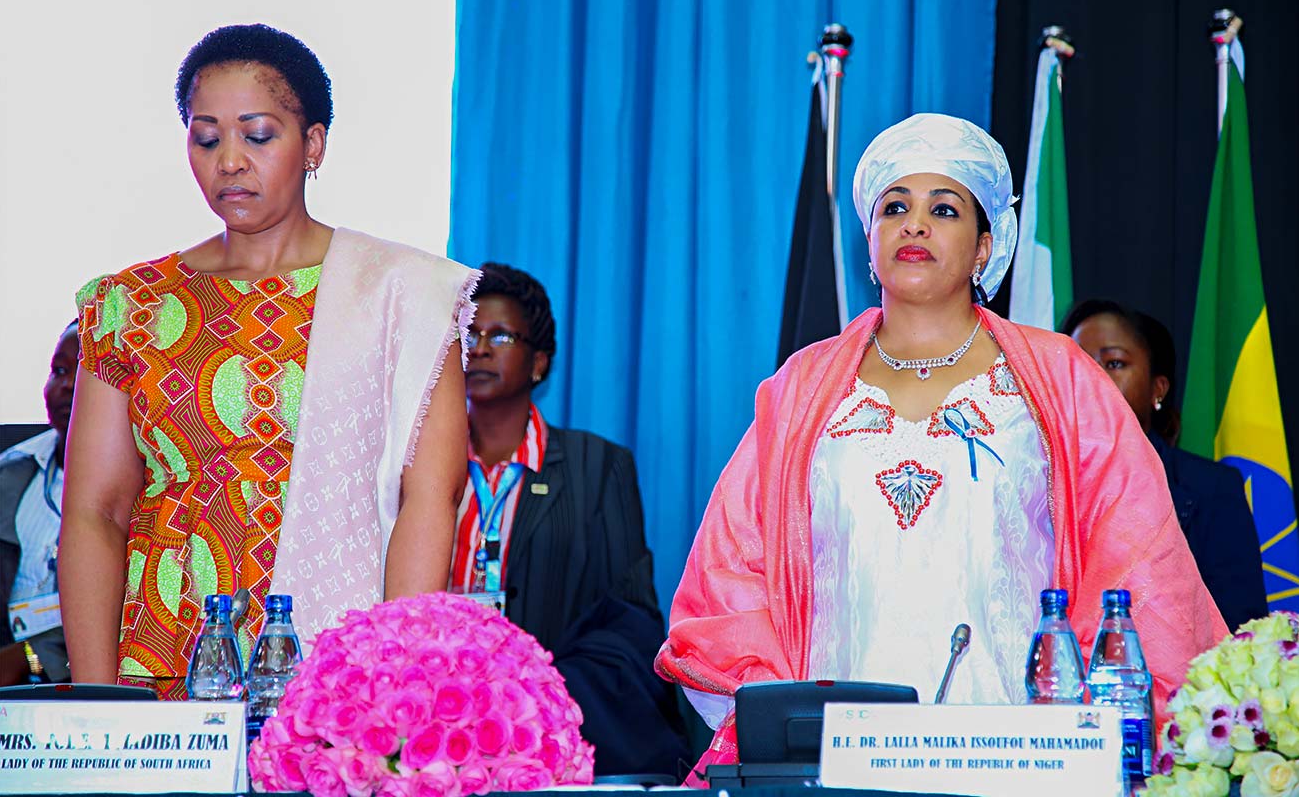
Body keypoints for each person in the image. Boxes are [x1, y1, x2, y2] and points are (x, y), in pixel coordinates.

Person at [654, 113, 1226, 775]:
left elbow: (1139, 564)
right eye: (895, 207)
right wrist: (787, 719)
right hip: (836, 756)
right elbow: (730, 574)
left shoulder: (1060, 380)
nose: (915, 224)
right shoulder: (800, 390)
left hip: (1019, 757)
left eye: (944, 209)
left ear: (985, 247)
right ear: (871, 243)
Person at [60, 24, 476, 698]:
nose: (230, 161)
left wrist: (391, 685)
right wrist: (96, 701)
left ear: (313, 145)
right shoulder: (129, 304)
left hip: (338, 656)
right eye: (206, 138)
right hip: (165, 649)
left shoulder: (400, 293)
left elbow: (429, 497)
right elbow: (95, 512)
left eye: (256, 136)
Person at [454, 263, 690, 775]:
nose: (480, 348)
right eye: (468, 335)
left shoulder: (597, 468)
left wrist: (540, 688)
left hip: (555, 725)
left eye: (500, 335)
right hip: (440, 719)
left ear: (539, 363)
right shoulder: (421, 469)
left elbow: (630, 619)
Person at [1063, 299, 1268, 631]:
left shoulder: (1211, 488)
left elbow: (1240, 630)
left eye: (1114, 363)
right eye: (1079, 363)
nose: (1092, 376)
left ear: (1158, 389)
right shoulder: (1041, 481)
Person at [0, 322, 79, 686]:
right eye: (59, 371)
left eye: (83, 374)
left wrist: (32, 656)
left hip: (82, 680)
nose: (67, 385)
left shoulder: (152, 490)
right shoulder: (11, 473)